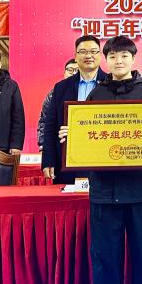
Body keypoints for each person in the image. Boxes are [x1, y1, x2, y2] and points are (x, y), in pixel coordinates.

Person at [58, 35, 142, 284]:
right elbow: (87, 135)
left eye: (124, 56)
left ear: (133, 59)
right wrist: (72, 135)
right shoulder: (96, 94)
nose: (118, 61)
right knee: (104, 255)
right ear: (105, 60)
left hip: (140, 189)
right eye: (113, 56)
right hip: (104, 190)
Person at [41, 36, 107, 184]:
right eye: (83, 51)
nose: (88, 56)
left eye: (93, 51)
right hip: (68, 159)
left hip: (102, 159)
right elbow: (50, 126)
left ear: (100, 55)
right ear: (75, 56)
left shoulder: (111, 84)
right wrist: (48, 159)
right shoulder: (61, 87)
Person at [36, 58, 81, 153]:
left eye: (77, 70)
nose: (73, 73)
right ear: (64, 73)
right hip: (58, 143)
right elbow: (44, 120)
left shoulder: (90, 91)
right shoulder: (54, 93)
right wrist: (42, 145)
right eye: (70, 70)